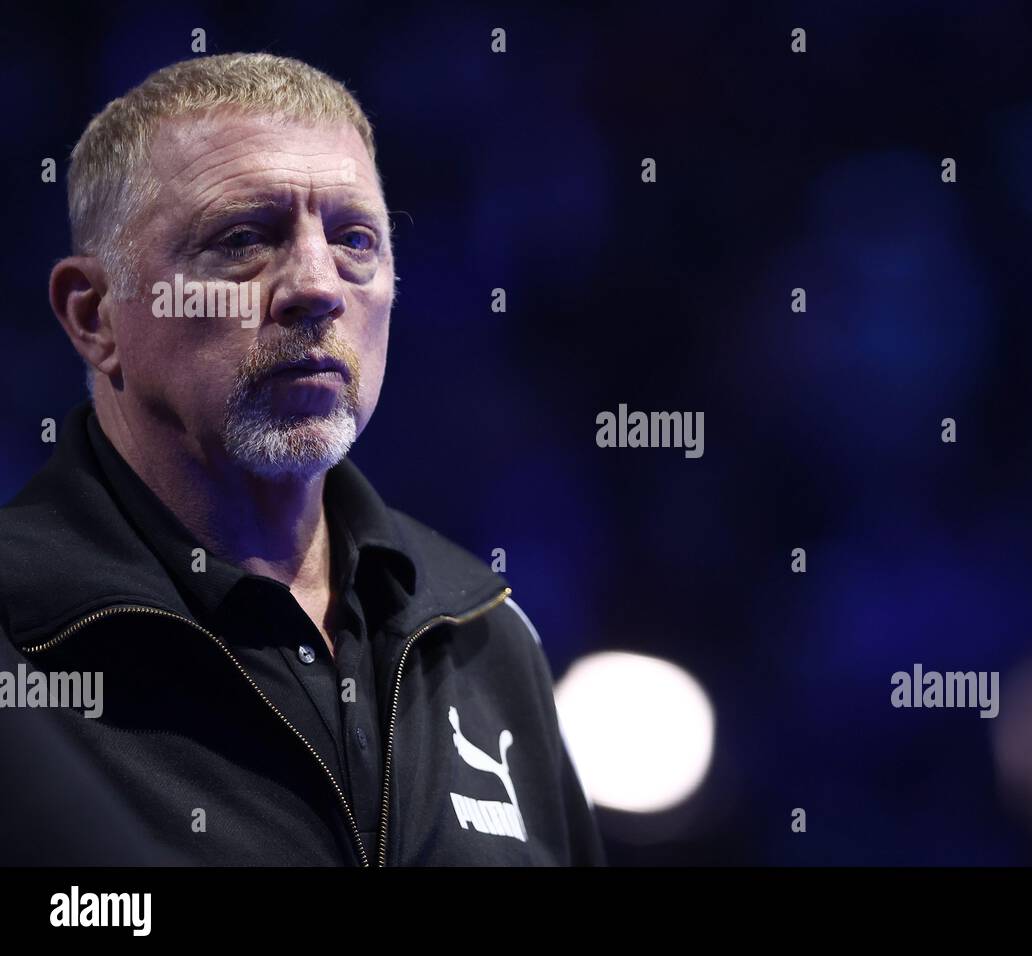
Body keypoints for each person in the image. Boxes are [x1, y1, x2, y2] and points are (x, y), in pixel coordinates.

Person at [0, 52, 603, 866]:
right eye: (244, 238)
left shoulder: (484, 638)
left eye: (355, 238)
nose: (318, 286)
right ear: (95, 315)